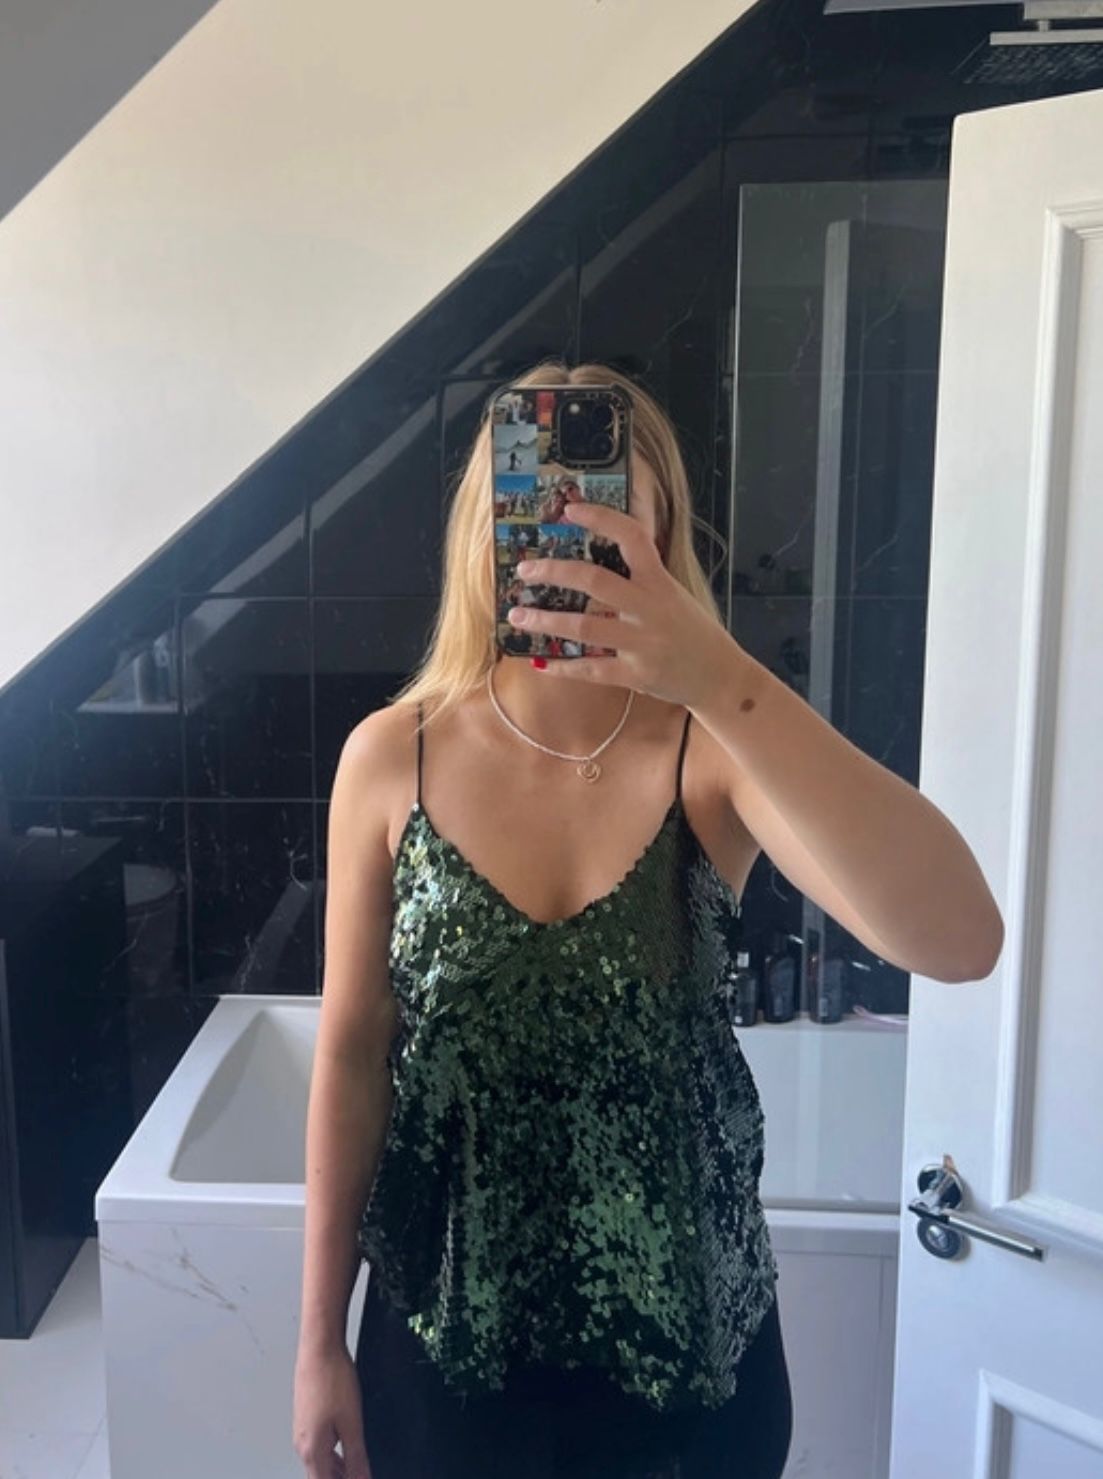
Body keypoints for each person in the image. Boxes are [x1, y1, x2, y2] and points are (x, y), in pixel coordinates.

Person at [292, 360, 1005, 1479]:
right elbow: (349, 1056)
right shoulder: (393, 757)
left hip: (691, 1369)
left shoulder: (715, 749)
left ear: (661, 531)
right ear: (489, 523)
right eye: (541, 494)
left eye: (606, 501)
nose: (573, 527)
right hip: (442, 1350)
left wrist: (721, 678)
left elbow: (961, 940)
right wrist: (315, 1341)